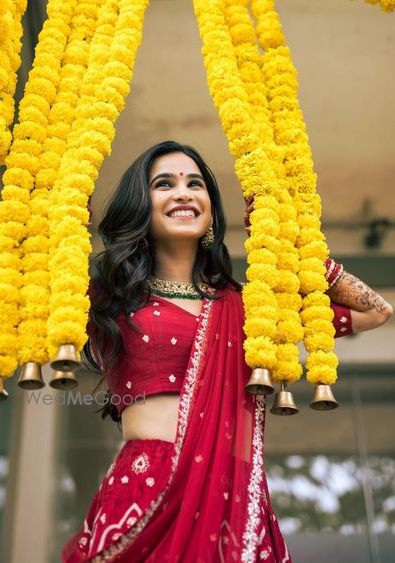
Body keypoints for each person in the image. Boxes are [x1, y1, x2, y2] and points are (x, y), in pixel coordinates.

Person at [61, 140, 392, 562]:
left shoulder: (248, 309)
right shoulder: (113, 300)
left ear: (212, 213)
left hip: (229, 495)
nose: (184, 192)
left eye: (195, 184)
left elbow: (376, 311)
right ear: (140, 206)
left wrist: (304, 252)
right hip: (146, 490)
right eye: (165, 184)